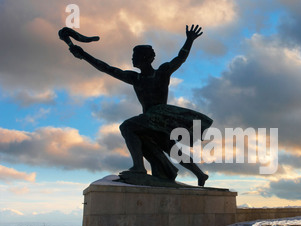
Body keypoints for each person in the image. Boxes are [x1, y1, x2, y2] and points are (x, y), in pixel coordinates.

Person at [68, 25, 210, 186]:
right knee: (171, 148)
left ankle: (139, 167)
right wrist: (84, 55)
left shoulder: (162, 72)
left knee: (127, 127)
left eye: (135, 55)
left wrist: (189, 40)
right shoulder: (135, 78)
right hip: (152, 121)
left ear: (145, 58)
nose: (132, 59)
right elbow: (107, 68)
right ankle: (200, 174)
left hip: (158, 115)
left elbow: (180, 58)